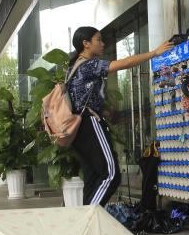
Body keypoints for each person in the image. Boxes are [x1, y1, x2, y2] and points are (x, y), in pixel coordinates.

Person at [66, 26, 174, 206]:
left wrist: (104, 112)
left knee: (93, 178)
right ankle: (89, 218)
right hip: (90, 124)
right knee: (111, 175)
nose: (103, 43)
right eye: (98, 40)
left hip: (79, 128)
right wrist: (155, 53)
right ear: (85, 44)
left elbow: (81, 97)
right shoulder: (88, 64)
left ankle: (85, 226)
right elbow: (123, 63)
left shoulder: (74, 66)